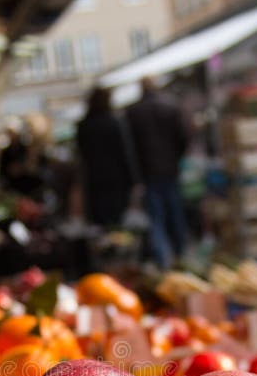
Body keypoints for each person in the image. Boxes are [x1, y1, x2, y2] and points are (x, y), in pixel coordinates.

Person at [126, 76, 190, 268]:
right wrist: (176, 158)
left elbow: (131, 148)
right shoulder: (170, 106)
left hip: (149, 172)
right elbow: (183, 136)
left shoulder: (134, 112)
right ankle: (180, 256)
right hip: (170, 168)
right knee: (175, 214)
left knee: (157, 218)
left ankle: (163, 260)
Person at [76, 85, 137, 229]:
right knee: (117, 219)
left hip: (95, 180)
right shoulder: (115, 123)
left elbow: (82, 155)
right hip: (116, 179)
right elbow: (125, 153)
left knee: (100, 221)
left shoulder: (84, 125)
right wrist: (133, 179)